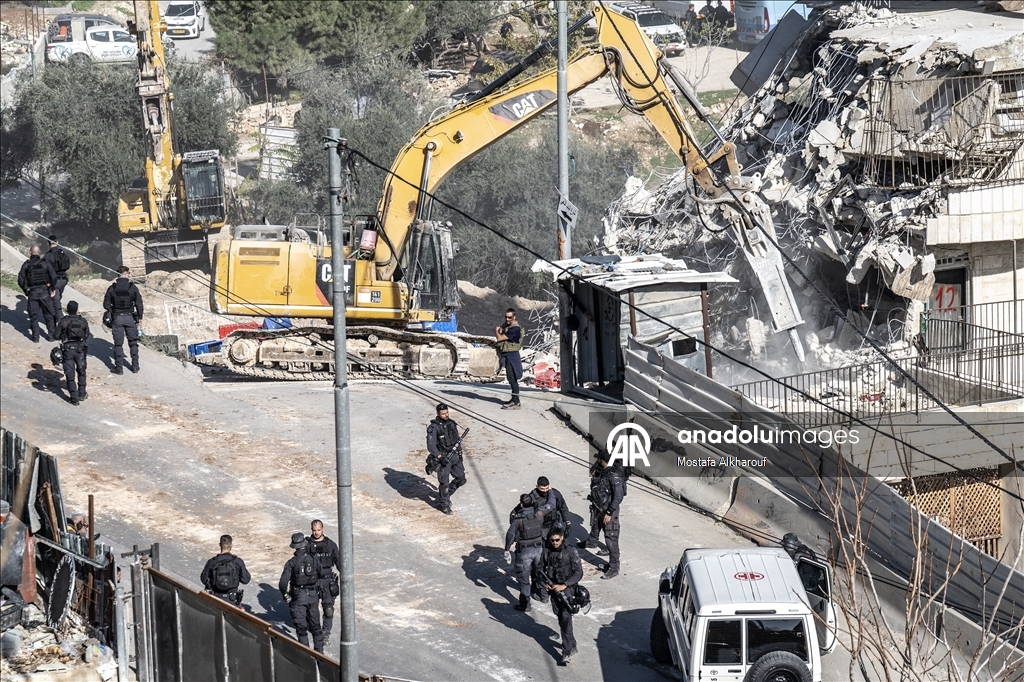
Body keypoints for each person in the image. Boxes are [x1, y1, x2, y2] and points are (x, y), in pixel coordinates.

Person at [578, 450, 624, 580]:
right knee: (597, 527)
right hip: (600, 508)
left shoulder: (614, 475)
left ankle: (614, 567)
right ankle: (592, 542)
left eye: (599, 459)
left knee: (611, 538)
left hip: (610, 510)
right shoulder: (603, 471)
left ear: (602, 460)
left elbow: (618, 496)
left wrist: (609, 512)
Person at [540, 526, 583, 664]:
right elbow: (541, 569)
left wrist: (565, 585)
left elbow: (578, 572)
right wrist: (546, 584)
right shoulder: (546, 552)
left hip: (567, 590)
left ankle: (567, 651)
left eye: (557, 540)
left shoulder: (571, 551)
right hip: (554, 591)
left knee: (565, 618)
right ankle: (572, 644)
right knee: (560, 617)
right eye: (552, 540)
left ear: (562, 538)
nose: (555, 543)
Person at [279, 532, 324, 653]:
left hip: (298, 598)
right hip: (313, 596)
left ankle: (306, 656)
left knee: (302, 628)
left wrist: (285, 595)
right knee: (316, 627)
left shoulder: (291, 563)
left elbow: (283, 583)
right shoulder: (314, 559)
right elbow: (321, 573)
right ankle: (320, 655)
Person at [504, 493, 545, 611]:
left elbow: (510, 535)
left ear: (521, 504)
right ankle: (544, 596)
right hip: (539, 549)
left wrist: (507, 549)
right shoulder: (539, 515)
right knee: (540, 574)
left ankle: (525, 604)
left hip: (525, 551)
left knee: (524, 578)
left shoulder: (518, 520)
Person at [426, 403, 467, 515]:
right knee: (444, 483)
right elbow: (431, 445)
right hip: (443, 457)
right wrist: (439, 457)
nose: (446, 415)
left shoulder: (451, 424)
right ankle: (444, 504)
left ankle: (445, 495)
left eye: (447, 412)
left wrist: (459, 453)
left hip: (454, 456)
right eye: (443, 413)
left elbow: (456, 439)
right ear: (438, 414)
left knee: (461, 479)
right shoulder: (434, 428)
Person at [103, 266, 144, 374]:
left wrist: (113, 309)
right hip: (130, 318)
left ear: (117, 275)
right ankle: (135, 366)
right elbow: (139, 304)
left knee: (118, 344)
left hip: (117, 318)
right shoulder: (132, 287)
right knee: (133, 343)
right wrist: (140, 318)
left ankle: (119, 368)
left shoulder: (112, 288)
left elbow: (106, 305)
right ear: (127, 274)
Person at [306, 520, 341, 643]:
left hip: (327, 581)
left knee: (328, 609)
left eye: (318, 530)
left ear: (323, 529)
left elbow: (339, 562)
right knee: (311, 608)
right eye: (314, 530)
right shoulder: (306, 545)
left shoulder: (330, 544)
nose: (316, 532)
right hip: (312, 582)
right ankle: (316, 630)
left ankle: (326, 633)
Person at [509, 476, 572, 540]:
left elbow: (563, 507)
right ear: (537, 486)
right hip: (541, 526)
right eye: (542, 489)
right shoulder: (532, 496)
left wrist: (567, 521)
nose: (545, 491)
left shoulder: (555, 494)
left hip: (554, 523)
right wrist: (514, 512)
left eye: (547, 488)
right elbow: (523, 505)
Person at [17, 245, 58, 343]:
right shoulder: (45, 263)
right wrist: (52, 288)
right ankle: (51, 336)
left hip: (33, 293)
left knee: (34, 316)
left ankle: (35, 337)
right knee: (48, 315)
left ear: (30, 252)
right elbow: (54, 277)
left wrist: (26, 290)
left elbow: (20, 279)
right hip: (44, 292)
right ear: (39, 252)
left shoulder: (26, 265)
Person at [201, 534, 251, 607]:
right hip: (232, 600)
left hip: (215, 598)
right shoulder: (237, 562)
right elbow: (245, 580)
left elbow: (204, 579)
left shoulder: (212, 562)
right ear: (231, 545)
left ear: (219, 544)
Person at [56, 300, 90, 405]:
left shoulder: (64, 321)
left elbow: (55, 335)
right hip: (80, 350)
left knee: (70, 375)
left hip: (67, 350)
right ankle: (82, 393)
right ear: (77, 309)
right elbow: (87, 334)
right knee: (81, 371)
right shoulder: (83, 321)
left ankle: (74, 399)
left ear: (67, 309)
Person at [495, 308, 523, 409]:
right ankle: (514, 399)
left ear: (514, 317)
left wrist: (497, 331)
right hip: (508, 354)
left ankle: (516, 401)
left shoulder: (514, 329)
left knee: (512, 378)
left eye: (510, 317)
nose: (507, 319)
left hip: (512, 355)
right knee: (511, 378)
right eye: (506, 317)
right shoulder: (509, 326)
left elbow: (500, 338)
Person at [43, 236, 71, 324]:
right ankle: (56, 318)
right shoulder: (62, 253)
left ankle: (62, 322)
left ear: (48, 244)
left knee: (56, 301)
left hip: (54, 281)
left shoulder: (47, 256)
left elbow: (44, 271)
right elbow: (67, 265)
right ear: (57, 242)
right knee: (57, 299)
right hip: (64, 280)